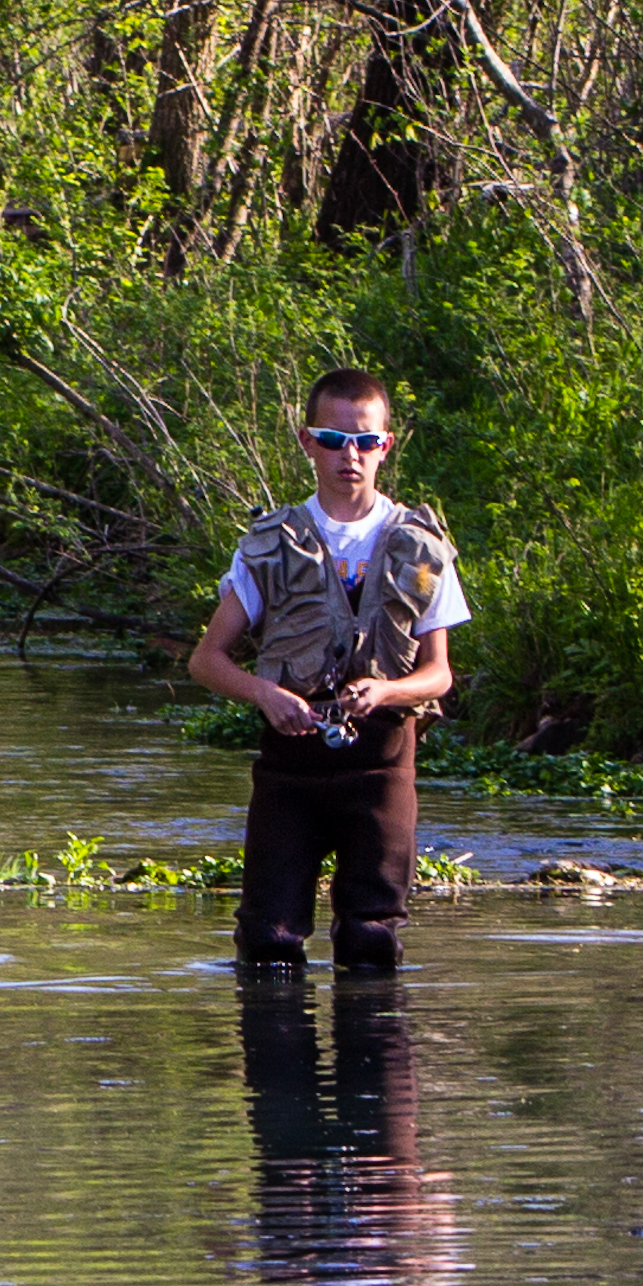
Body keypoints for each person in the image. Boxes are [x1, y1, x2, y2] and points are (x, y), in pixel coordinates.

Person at [186, 367, 464, 972]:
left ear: (386, 445)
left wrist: (389, 689)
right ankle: (278, 1061)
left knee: (372, 941)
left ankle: (375, 1058)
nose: (351, 456)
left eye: (366, 441)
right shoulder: (268, 543)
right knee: (270, 945)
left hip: (382, 767)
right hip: (291, 772)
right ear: (309, 442)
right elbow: (206, 660)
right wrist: (265, 693)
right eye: (335, 440)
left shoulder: (422, 546)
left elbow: (439, 674)